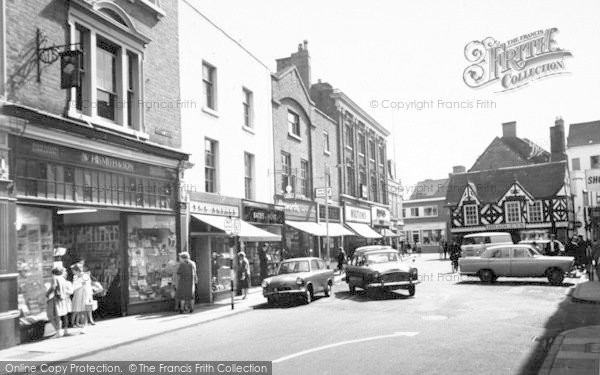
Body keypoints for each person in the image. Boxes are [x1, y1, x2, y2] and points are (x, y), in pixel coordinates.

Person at [46, 267, 73, 337]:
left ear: (53, 273)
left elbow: (53, 286)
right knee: (64, 314)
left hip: (57, 298)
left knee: (55, 315)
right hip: (63, 298)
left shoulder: (55, 278)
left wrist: (47, 293)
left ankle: (58, 331)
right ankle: (66, 330)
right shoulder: (62, 278)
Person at [71, 264, 93, 331]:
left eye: (73, 270)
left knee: (83, 309)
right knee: (77, 309)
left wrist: (89, 296)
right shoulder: (75, 277)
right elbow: (74, 286)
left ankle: (84, 325)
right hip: (77, 294)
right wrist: (80, 284)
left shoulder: (85, 276)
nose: (72, 272)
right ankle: (76, 323)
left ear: (77, 270)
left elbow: (88, 286)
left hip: (84, 294)